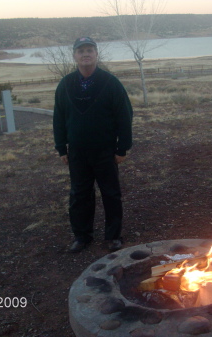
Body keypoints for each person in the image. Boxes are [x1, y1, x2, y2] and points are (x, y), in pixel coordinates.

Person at [53, 37, 133, 253]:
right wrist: (61, 147)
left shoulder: (110, 82)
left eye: (89, 50)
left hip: (105, 151)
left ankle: (113, 236)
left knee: (111, 194)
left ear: (96, 54)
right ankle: (82, 236)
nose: (85, 54)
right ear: (74, 56)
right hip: (77, 152)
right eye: (81, 51)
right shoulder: (66, 84)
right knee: (79, 195)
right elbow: (59, 118)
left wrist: (122, 148)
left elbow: (124, 116)